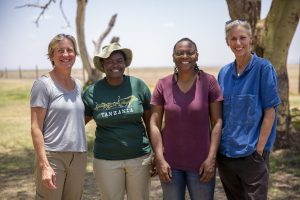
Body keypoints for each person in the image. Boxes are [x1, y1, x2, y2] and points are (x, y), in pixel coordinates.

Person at [149, 38, 223, 200]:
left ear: (197, 56)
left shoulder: (209, 82)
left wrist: (211, 158)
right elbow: (154, 124)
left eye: (189, 53)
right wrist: (160, 158)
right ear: (173, 56)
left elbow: (217, 122)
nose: (184, 56)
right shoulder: (163, 84)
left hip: (202, 163)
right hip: (170, 164)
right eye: (179, 53)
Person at [217, 19, 281, 200]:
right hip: (226, 155)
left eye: (242, 38)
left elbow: (270, 111)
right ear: (227, 42)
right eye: (233, 39)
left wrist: (259, 149)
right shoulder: (223, 73)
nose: (238, 43)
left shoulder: (263, 68)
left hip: (252, 155)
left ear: (251, 39)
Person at [82, 42, 152, 200]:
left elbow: (151, 124)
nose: (115, 65)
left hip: (139, 158)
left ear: (125, 63)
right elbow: (78, 125)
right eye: (109, 61)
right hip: (106, 160)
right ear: (103, 64)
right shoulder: (92, 92)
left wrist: (156, 154)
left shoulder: (138, 86)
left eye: (119, 61)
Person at [30, 33, 87, 199]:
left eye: (69, 50)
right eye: (60, 50)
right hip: (53, 157)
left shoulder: (78, 85)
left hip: (79, 156)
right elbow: (35, 128)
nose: (65, 54)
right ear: (51, 55)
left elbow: (76, 119)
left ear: (75, 55)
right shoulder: (43, 85)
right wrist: (44, 165)